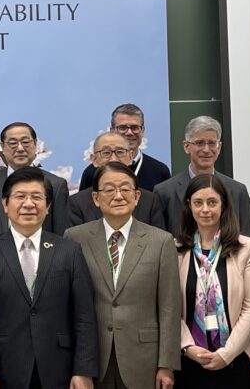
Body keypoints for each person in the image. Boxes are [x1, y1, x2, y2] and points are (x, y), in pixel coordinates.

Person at [0, 167, 99, 389]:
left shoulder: (69, 251)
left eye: (37, 197)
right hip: (7, 368)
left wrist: (83, 370)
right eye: (20, 196)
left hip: (61, 369)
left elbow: (84, 315)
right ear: (5, 204)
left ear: (48, 206)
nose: (28, 204)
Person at [65, 161, 181, 389]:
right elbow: (68, 306)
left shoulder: (160, 241)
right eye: (109, 189)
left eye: (125, 189)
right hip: (93, 359)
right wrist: (76, 366)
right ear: (96, 199)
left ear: (137, 196)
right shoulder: (75, 238)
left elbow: (169, 307)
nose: (118, 196)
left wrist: (167, 364)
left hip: (144, 360)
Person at [174, 174, 250, 388]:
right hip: (189, 361)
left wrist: (227, 353)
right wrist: (188, 347)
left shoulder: (246, 248)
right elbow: (170, 308)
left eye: (212, 202)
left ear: (223, 205)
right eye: (198, 202)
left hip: (238, 359)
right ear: (189, 206)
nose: (205, 209)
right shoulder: (174, 249)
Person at [153, 116, 250, 235]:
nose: (206, 150)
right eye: (199, 143)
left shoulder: (238, 191)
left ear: (219, 147)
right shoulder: (164, 192)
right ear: (186, 146)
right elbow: (160, 242)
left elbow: (243, 240)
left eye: (212, 143)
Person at [0, 122, 69, 240]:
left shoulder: (56, 185)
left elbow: (61, 235)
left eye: (25, 142)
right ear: (2, 147)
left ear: (35, 144)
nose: (20, 148)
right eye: (13, 143)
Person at [67, 131, 167, 231]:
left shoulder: (150, 201)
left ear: (131, 156)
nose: (113, 159)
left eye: (120, 152)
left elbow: (157, 241)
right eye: (106, 153)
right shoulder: (77, 203)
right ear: (94, 159)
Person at [78, 103, 172, 191]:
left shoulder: (160, 171)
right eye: (123, 128)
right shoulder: (92, 172)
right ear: (112, 130)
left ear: (142, 130)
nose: (129, 133)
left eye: (134, 127)